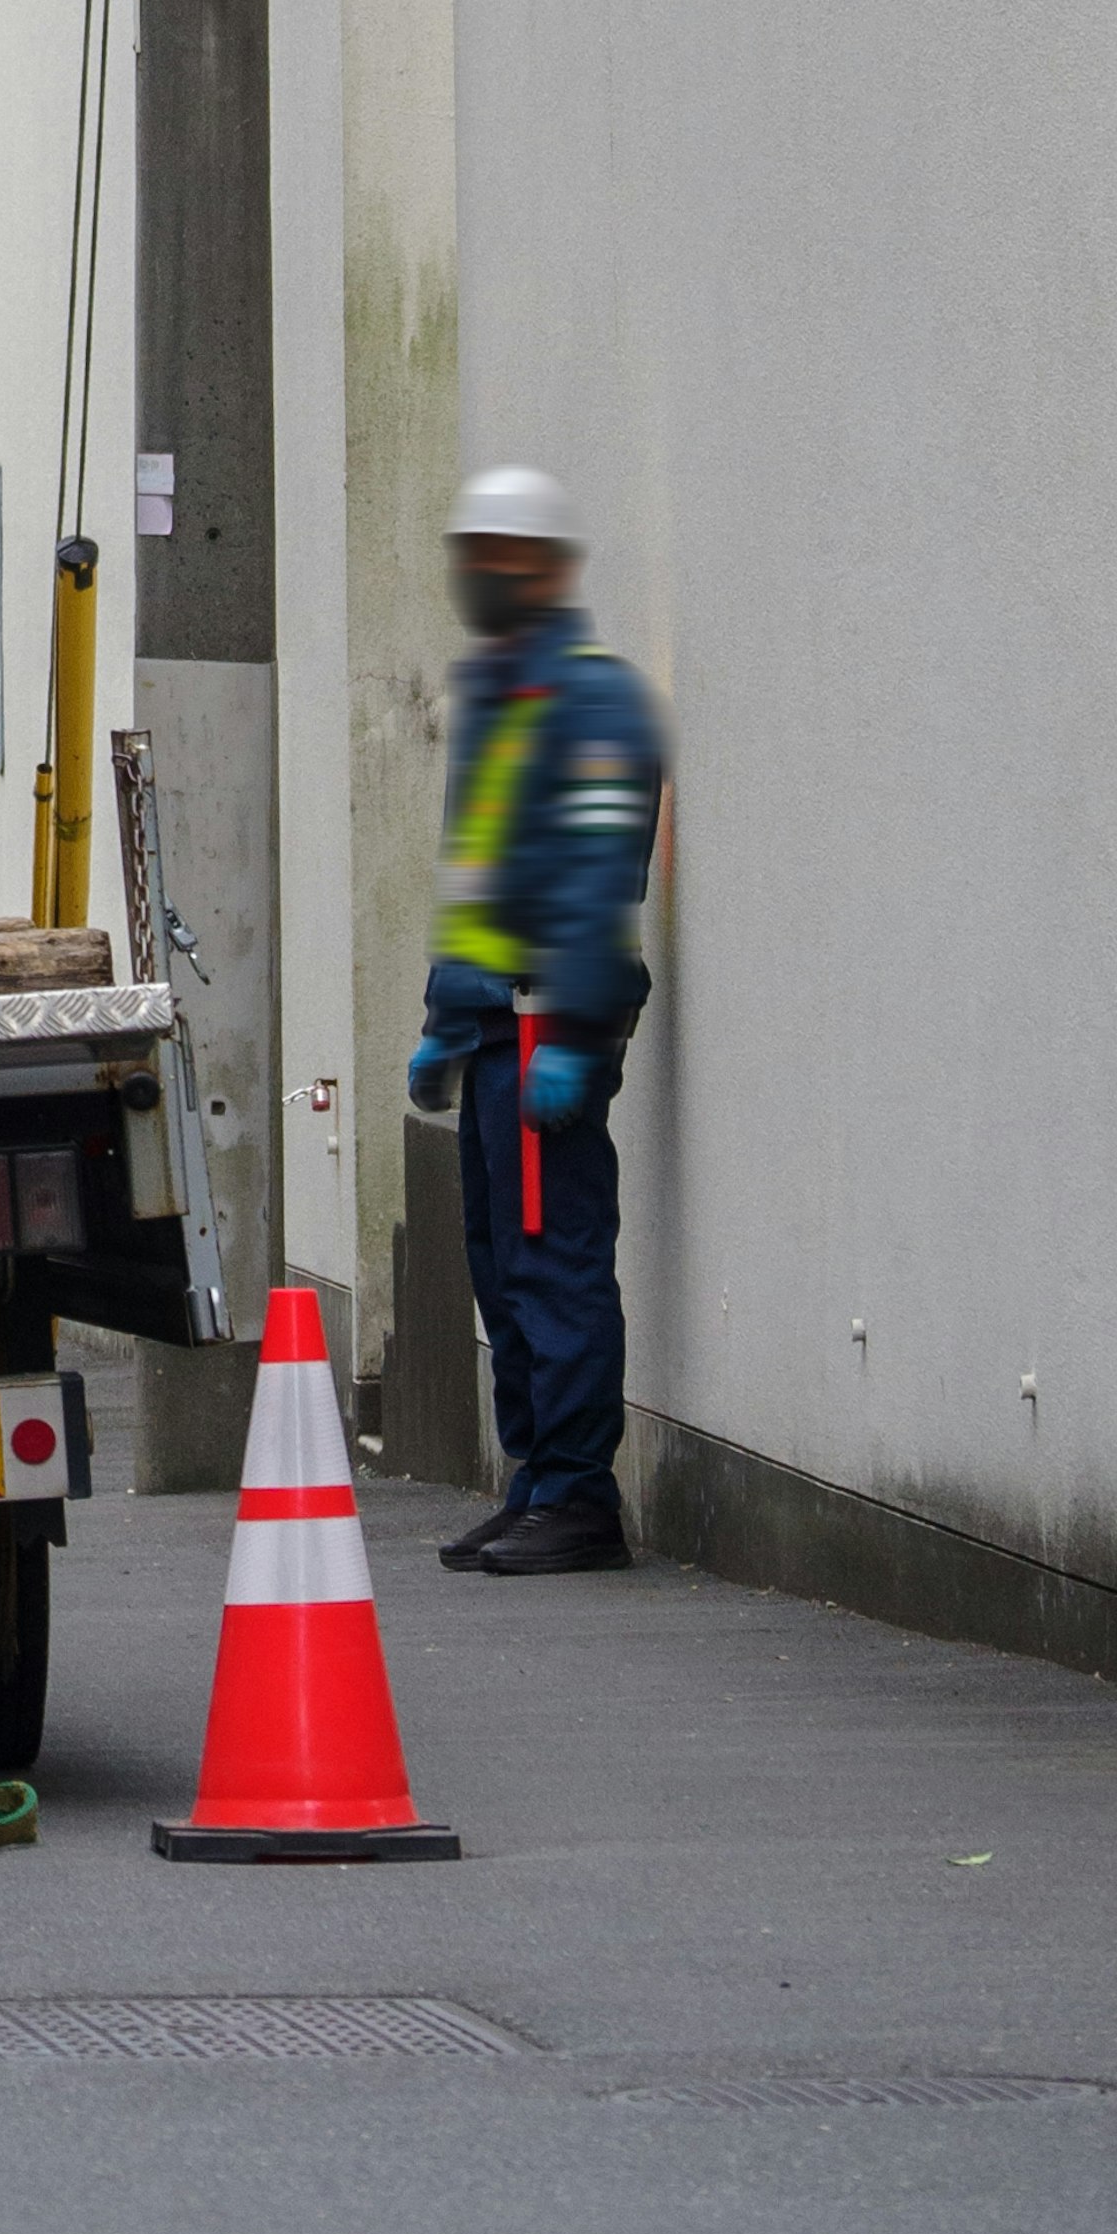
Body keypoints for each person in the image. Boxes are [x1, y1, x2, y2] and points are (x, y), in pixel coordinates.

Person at [408, 463, 667, 1580]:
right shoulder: (499, 694)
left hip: (545, 1028)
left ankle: (578, 1493)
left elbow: (599, 874)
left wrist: (567, 1036)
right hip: (491, 1029)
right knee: (502, 1265)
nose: (478, 576)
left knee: (555, 1264)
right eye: (471, 555)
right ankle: (536, 1481)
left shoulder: (593, 699)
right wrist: (442, 1012)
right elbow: (482, 881)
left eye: (498, 557)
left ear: (550, 569)